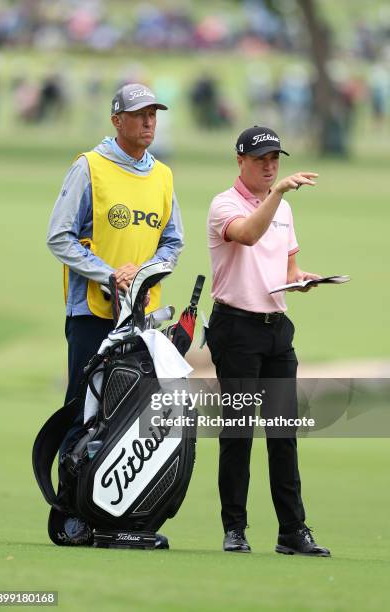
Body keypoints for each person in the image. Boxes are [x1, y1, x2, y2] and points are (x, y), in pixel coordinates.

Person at [46, 83, 183, 546]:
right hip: (91, 312)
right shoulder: (89, 167)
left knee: (128, 414)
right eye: (139, 114)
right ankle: (69, 513)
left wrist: (142, 272)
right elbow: (59, 237)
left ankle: (111, 509)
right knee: (83, 411)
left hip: (141, 317)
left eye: (153, 115)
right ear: (116, 120)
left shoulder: (162, 175)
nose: (148, 122)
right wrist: (110, 274)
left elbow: (173, 242)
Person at [206, 125, 331, 556]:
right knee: (238, 431)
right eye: (261, 159)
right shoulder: (223, 205)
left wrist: (302, 280)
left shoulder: (283, 209)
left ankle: (292, 532)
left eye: (275, 158)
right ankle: (235, 529)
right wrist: (276, 193)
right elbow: (247, 235)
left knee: (283, 434)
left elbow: (287, 268)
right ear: (240, 161)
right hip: (236, 330)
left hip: (276, 329)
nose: (270, 166)